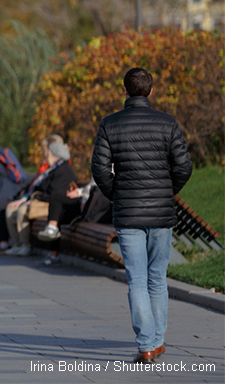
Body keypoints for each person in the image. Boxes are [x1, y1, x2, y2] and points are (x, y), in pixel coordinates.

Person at [91, 68, 192, 364]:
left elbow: (99, 170)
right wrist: (166, 191)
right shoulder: (167, 123)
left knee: (136, 280)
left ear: (124, 91)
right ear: (151, 90)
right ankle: (157, 341)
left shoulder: (109, 124)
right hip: (161, 214)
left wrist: (117, 194)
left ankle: (147, 344)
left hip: (128, 214)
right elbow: (184, 167)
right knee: (157, 279)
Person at [4, 134, 65, 256]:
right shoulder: (45, 168)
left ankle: (25, 244)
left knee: (22, 211)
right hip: (35, 199)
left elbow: (50, 191)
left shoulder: (58, 169)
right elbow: (34, 187)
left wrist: (29, 199)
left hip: (45, 202)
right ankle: (17, 244)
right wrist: (24, 198)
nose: (44, 154)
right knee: (10, 209)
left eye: (45, 150)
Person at [30, 142, 81, 266]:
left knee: (55, 205)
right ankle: (53, 253)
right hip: (64, 206)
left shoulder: (64, 170)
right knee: (55, 214)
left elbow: (52, 190)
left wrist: (40, 196)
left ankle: (52, 230)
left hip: (75, 209)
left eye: (48, 154)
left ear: (53, 155)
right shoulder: (57, 168)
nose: (46, 157)